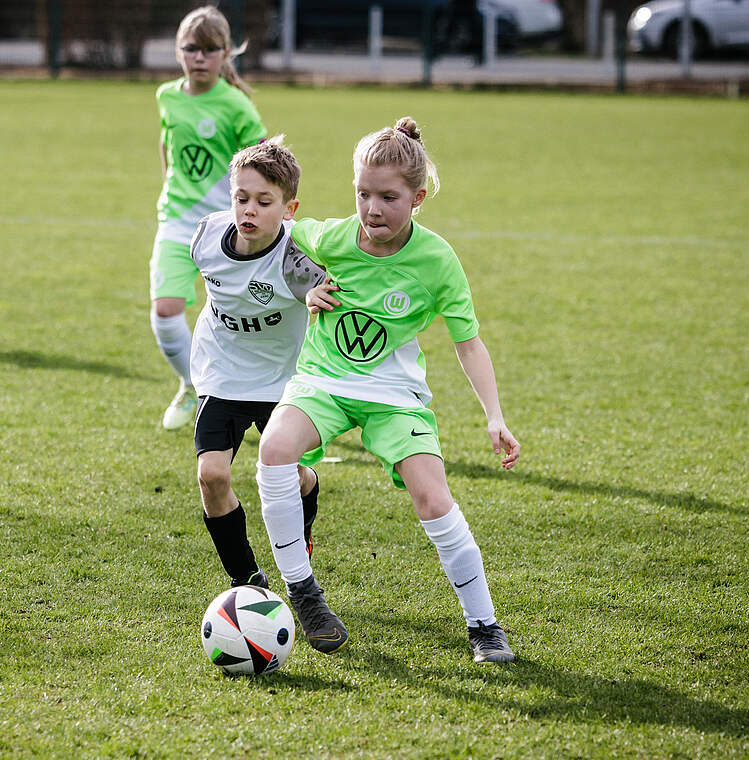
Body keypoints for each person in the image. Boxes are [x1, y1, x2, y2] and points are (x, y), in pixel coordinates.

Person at [254, 117, 521, 663]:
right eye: (362, 194)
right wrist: (307, 286)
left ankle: (485, 626)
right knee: (274, 450)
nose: (372, 209)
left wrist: (494, 416)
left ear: (418, 197)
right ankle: (304, 593)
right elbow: (277, 232)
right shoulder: (333, 236)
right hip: (324, 381)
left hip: (394, 394)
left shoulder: (437, 261)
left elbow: (468, 344)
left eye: (388, 197)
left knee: (433, 498)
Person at [189, 136, 325, 589]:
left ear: (289, 209)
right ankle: (247, 581)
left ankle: (303, 522)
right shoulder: (206, 235)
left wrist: (318, 299)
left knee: (293, 476)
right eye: (241, 198)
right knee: (211, 474)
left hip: (282, 382)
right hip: (222, 372)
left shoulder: (297, 261)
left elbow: (331, 293)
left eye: (264, 202)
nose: (249, 210)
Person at [150, 5, 267, 431]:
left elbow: (265, 163)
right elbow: (168, 147)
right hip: (177, 221)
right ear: (178, 51)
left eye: (209, 49)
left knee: (247, 320)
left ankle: (268, 396)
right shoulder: (166, 96)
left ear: (226, 53)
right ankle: (193, 385)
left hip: (229, 227)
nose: (199, 57)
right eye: (191, 49)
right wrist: (169, 187)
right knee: (165, 311)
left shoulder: (236, 105)